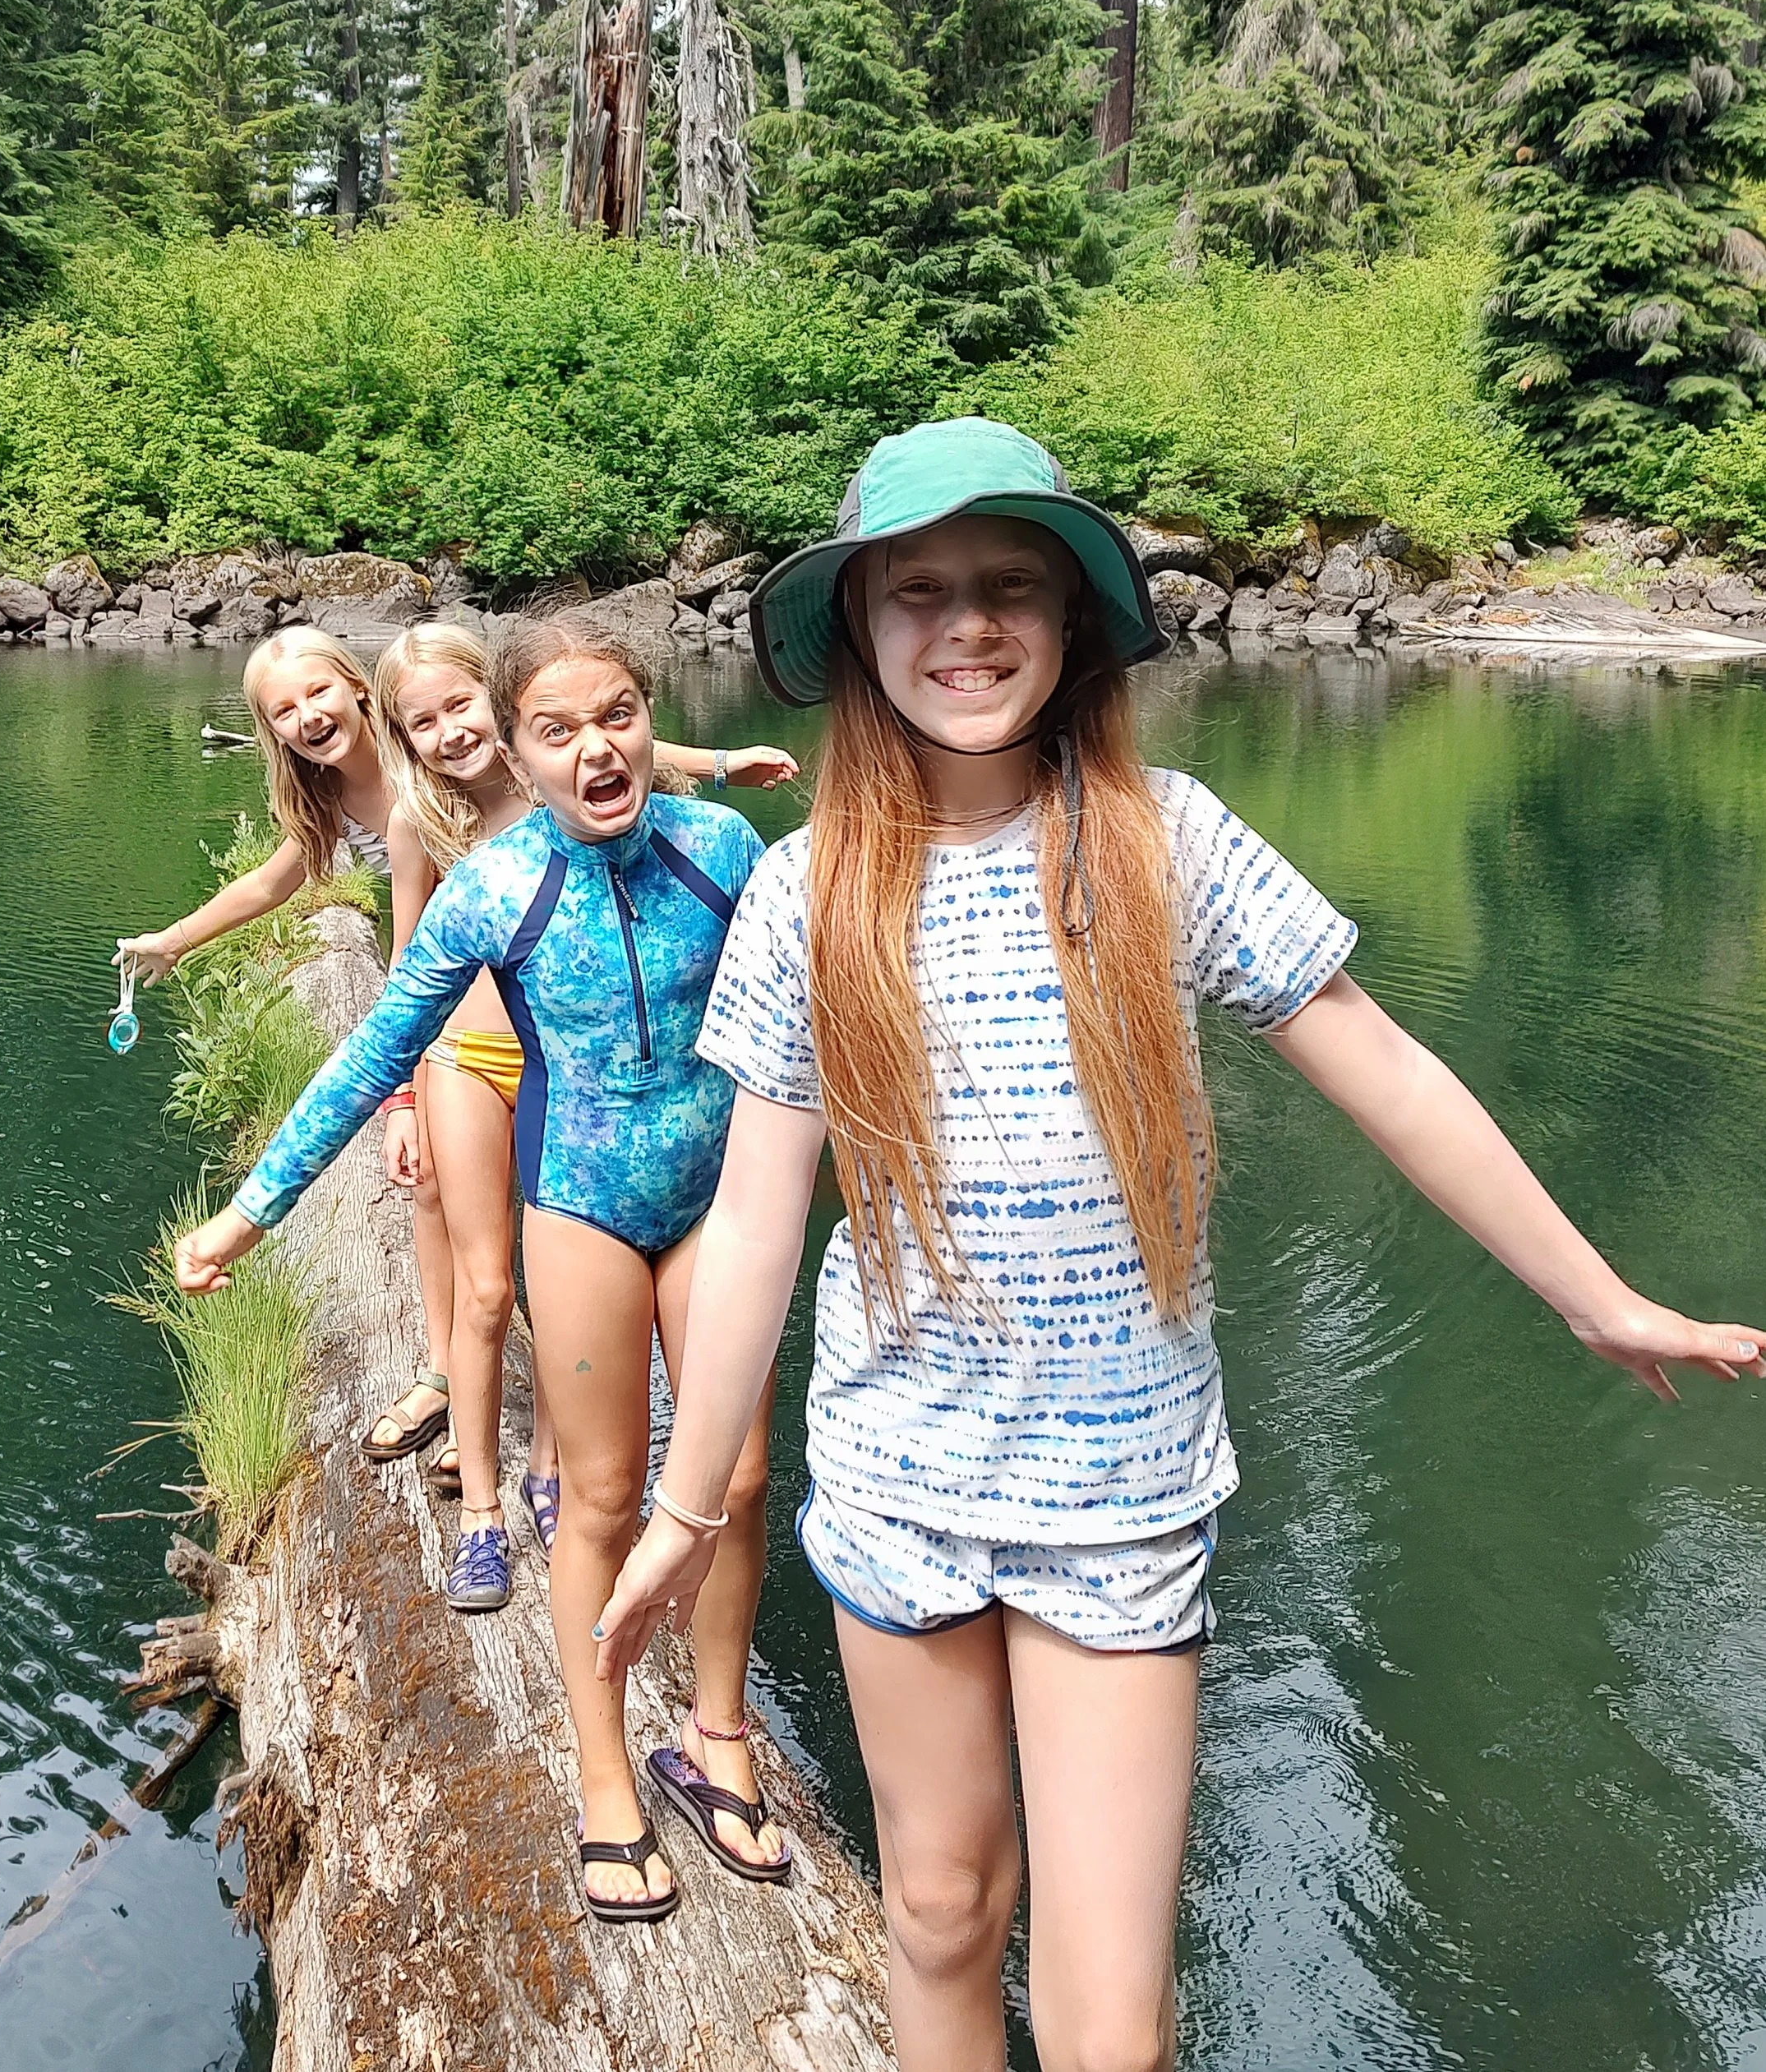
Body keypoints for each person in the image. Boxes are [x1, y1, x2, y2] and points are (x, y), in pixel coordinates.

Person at [592, 417, 1766, 2072]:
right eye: (917, 589)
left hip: (1122, 1494)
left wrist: (1597, 1295)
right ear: (857, 626)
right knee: (937, 1905)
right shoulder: (806, 892)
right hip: (896, 1476)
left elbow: (1390, 1071)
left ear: (1073, 617)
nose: (966, 624)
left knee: (1111, 2024)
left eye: (1011, 584)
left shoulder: (1170, 840)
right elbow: (757, 1215)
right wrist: (685, 1503)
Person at [173, 612, 798, 1919]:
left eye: (618, 716)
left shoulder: (722, 848)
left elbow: (820, 1001)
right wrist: (249, 1212)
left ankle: (718, 1733)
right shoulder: (495, 887)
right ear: (517, 749)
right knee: (607, 1492)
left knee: (737, 1478)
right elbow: (372, 1055)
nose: (597, 751)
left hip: (720, 1204)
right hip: (582, 1208)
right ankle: (604, 1772)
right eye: (557, 731)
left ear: (650, 719)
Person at [371, 616, 800, 1568]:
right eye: (421, 722)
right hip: (465, 1056)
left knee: (581, 1316)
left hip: (582, 1084)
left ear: (494, 710)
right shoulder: (426, 824)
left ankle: (549, 1465)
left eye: (458, 705)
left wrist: (723, 765)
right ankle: (479, 1510)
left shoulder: (596, 783)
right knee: (487, 1288)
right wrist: (399, 1104)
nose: (448, 731)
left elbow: (619, 734)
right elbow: (404, 972)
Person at [114, 625, 456, 1465]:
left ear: (358, 687)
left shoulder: (429, 744)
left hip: (507, 982)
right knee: (432, 1188)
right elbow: (274, 880)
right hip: (445, 994)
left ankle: (504, 1402)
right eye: (283, 710)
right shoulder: (330, 797)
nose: (307, 715)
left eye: (318, 692)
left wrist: (717, 765)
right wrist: (173, 941)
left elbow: (554, 739)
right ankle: (448, 1377)